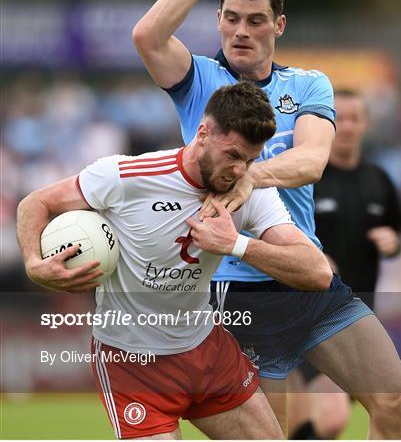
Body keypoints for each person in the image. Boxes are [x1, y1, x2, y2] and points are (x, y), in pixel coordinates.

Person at [132, 0, 401, 439]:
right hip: (235, 294)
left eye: (256, 20)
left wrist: (249, 175)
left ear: (278, 25)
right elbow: (147, 36)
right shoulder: (198, 82)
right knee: (275, 436)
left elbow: (310, 161)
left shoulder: (306, 84)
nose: (242, 30)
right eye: (232, 18)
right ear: (218, 21)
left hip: (304, 278)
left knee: (395, 401)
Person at [16, 82, 333, 440]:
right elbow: (35, 203)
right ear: (203, 133)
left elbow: (318, 272)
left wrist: (237, 245)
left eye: (251, 159)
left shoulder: (251, 192)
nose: (240, 171)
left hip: (206, 351)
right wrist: (33, 263)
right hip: (132, 363)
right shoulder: (126, 177)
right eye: (232, 155)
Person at [297, 89, 401, 439]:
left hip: (363, 317)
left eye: (353, 118)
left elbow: (398, 231)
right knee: (330, 416)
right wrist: (312, 256)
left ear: (365, 124)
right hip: (315, 318)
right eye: (338, 118)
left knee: (393, 405)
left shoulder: (380, 180)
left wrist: (393, 242)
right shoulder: (308, 178)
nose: (345, 127)